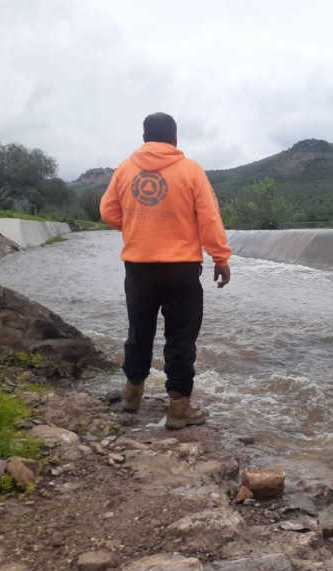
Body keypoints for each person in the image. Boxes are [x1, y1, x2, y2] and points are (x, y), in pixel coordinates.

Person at [100, 112, 231, 429]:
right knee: (181, 340)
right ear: (174, 139)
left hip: (138, 268)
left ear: (144, 138)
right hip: (182, 270)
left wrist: (137, 226)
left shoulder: (125, 169)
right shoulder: (191, 170)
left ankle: (132, 396)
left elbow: (107, 211)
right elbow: (209, 218)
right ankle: (178, 410)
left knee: (138, 332)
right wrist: (220, 257)